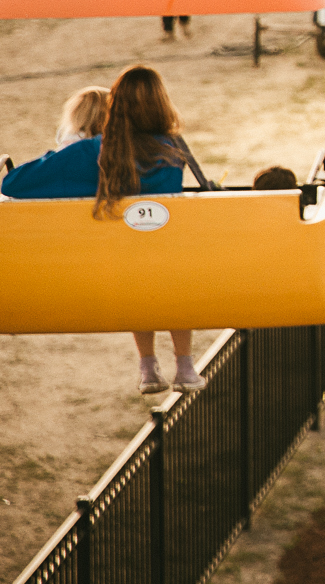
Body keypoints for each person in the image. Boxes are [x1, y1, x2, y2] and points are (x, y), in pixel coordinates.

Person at [0, 67, 207, 393]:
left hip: (118, 260)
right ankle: (185, 366)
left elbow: (14, 183)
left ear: (117, 105)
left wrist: (60, 154)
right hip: (168, 252)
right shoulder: (173, 149)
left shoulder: (93, 151)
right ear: (163, 104)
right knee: (169, 283)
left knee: (139, 277)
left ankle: (148, 367)